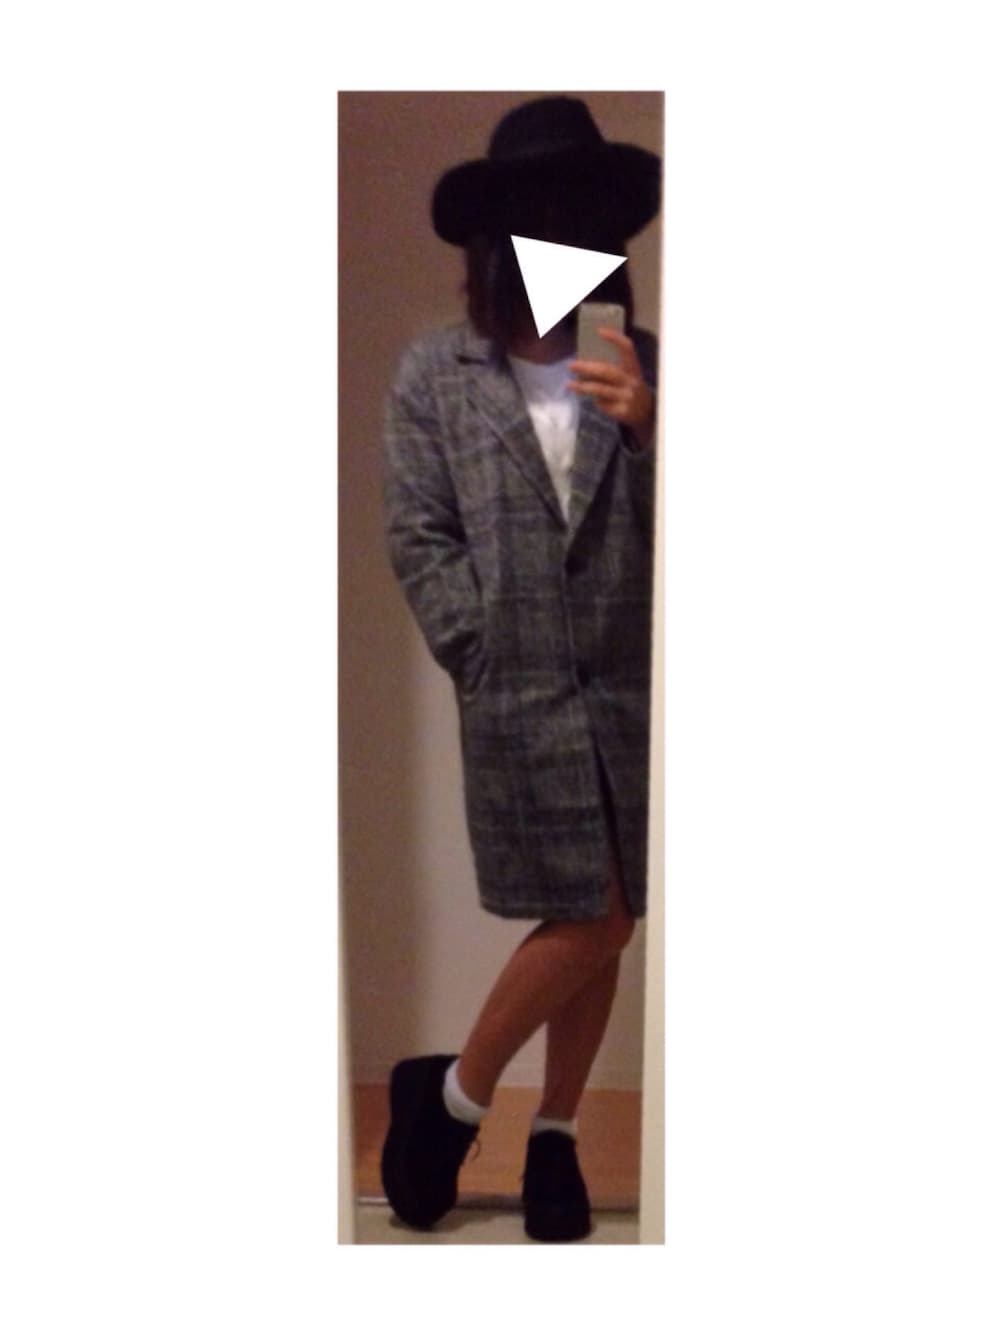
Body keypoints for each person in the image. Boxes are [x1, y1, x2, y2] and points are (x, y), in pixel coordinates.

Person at [379, 95, 660, 1243]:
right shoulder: (436, 373)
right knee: (588, 915)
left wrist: (654, 432)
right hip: (518, 693)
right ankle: (468, 1102)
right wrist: (479, 648)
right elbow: (418, 533)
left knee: (609, 915)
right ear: (500, 238)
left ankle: (534, 1124)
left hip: (635, 694)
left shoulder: (643, 366)